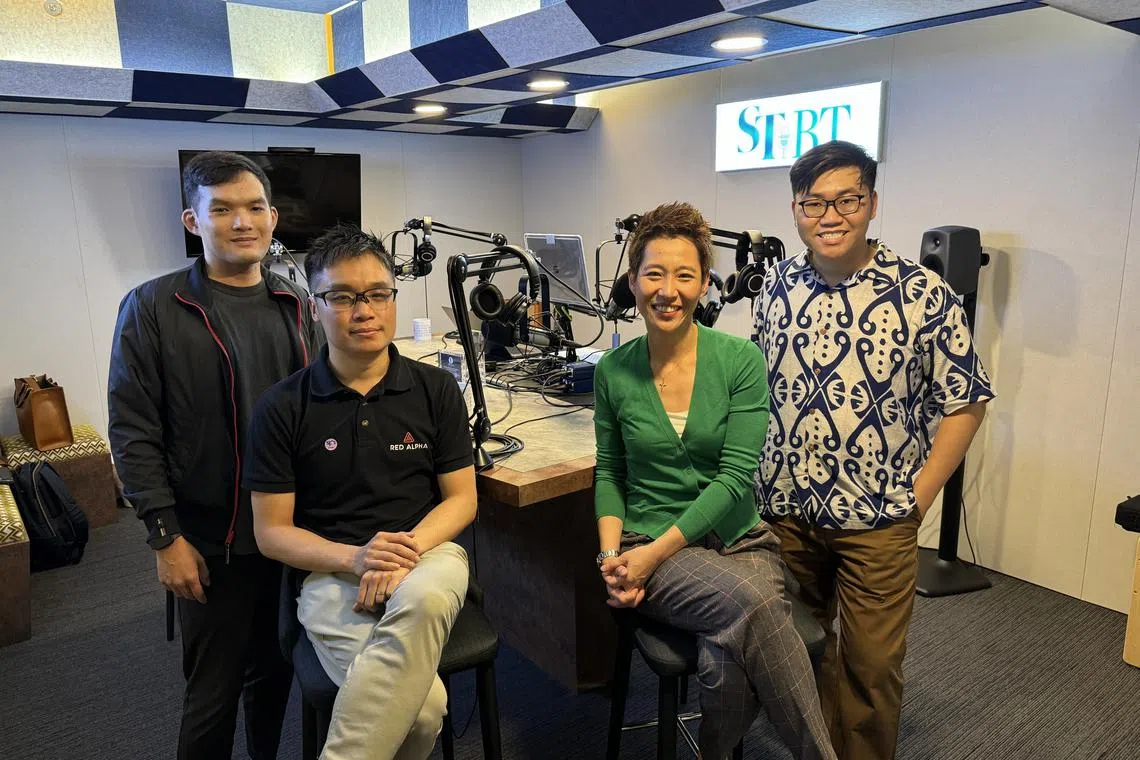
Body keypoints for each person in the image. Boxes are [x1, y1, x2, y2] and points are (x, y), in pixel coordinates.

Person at [752, 140, 996, 760]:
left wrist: (920, 494)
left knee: (871, 668)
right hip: (785, 512)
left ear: (872, 204)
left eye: (847, 200)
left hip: (879, 521)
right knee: (794, 652)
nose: (830, 216)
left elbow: (966, 401)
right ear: (795, 210)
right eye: (814, 203)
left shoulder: (923, 294)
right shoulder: (775, 287)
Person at [594, 201, 837, 760]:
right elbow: (610, 473)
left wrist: (656, 554)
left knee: (726, 651)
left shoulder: (740, 359)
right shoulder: (614, 370)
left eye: (685, 275)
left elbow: (733, 480)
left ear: (706, 284)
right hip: (648, 541)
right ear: (632, 281)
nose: (668, 290)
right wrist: (613, 556)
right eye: (654, 273)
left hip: (739, 539)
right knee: (755, 605)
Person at [108, 150, 322, 759]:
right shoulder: (152, 307)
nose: (242, 222)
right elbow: (133, 428)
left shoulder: (295, 303)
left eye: (255, 207)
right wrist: (163, 537)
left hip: (287, 533)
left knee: (273, 676)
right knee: (212, 696)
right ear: (192, 221)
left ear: (274, 218)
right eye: (222, 209)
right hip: (208, 538)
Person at [243, 223, 477, 760]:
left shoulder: (435, 388)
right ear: (315, 307)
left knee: (428, 593)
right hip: (331, 572)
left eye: (376, 294)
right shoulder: (283, 407)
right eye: (342, 297)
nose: (363, 310)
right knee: (422, 712)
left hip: (428, 554)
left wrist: (402, 554)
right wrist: (356, 558)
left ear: (393, 299)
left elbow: (462, 499)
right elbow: (271, 532)